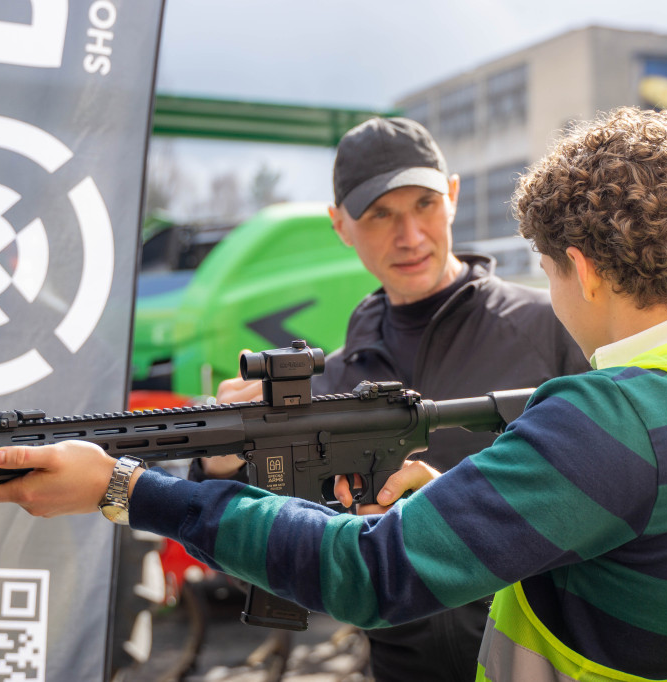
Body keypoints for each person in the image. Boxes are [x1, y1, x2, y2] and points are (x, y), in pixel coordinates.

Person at [0, 107, 667, 681]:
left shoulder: (613, 417)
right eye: (380, 215)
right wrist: (455, 498)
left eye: (551, 269)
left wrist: (123, 487)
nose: (410, 234)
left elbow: (369, 572)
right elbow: (629, 540)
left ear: (581, 270)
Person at [194, 115, 590, 681]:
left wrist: (450, 509)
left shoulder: (556, 329)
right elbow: (264, 564)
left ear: (452, 197)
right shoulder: (328, 386)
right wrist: (218, 463)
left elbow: (613, 505)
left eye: (423, 204)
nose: (409, 236)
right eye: (379, 214)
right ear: (340, 226)